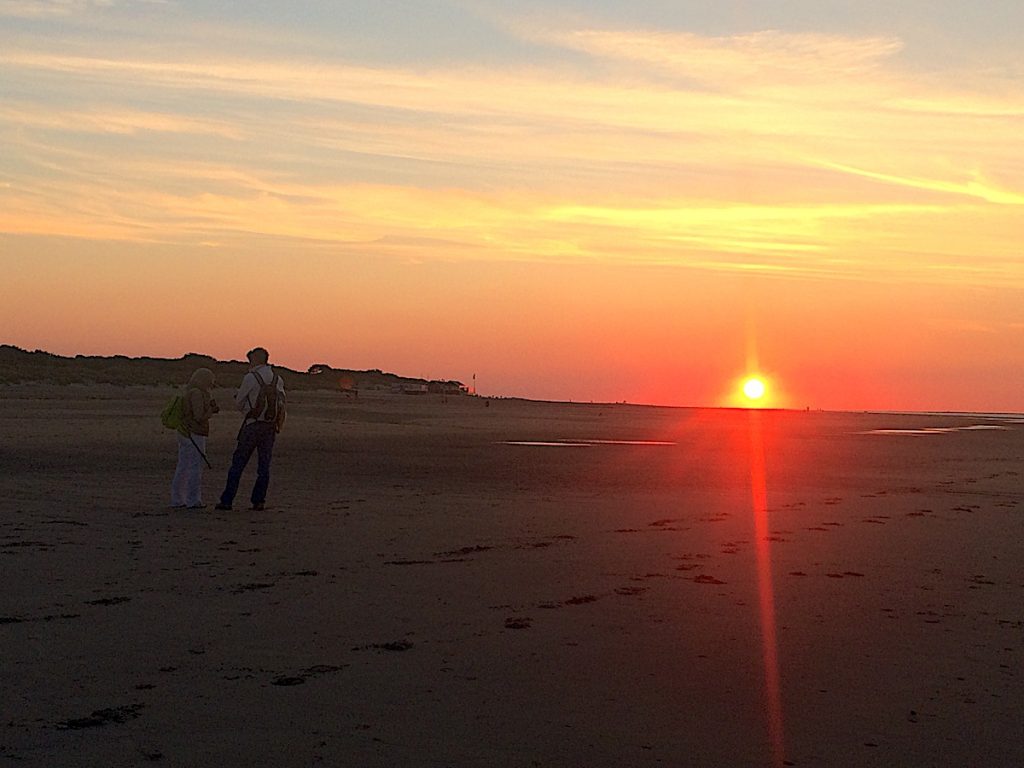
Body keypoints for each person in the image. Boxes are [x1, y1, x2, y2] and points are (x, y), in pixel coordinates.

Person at [215, 347, 285, 511]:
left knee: (238, 464)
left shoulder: (250, 377)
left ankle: (227, 500)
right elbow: (282, 403)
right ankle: (259, 501)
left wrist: (247, 408)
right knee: (264, 466)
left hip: (252, 425)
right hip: (269, 427)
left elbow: (239, 403)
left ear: (254, 359)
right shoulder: (277, 378)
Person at [170, 367, 219, 509]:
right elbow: (198, 417)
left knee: (183, 466)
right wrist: (211, 410)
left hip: (185, 432)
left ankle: (177, 499)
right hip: (195, 433)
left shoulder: (189, 391)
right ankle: (193, 500)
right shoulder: (197, 394)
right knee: (195, 467)